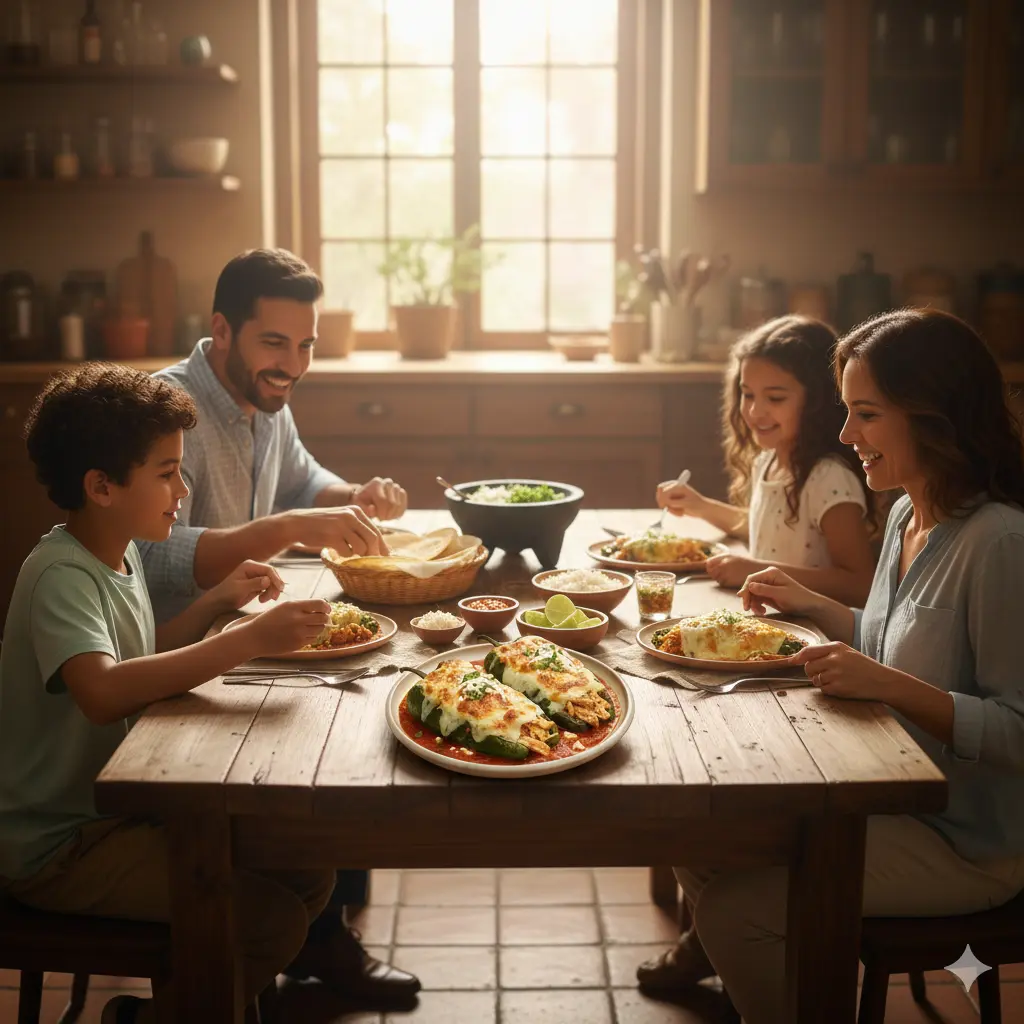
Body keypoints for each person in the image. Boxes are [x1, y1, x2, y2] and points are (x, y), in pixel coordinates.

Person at [648, 310, 1024, 1023]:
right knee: (696, 834)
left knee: (735, 909)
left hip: (967, 841)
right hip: (882, 791)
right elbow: (887, 641)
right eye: (847, 413)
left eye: (867, 415)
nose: (847, 436)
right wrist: (811, 604)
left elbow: (1017, 730)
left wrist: (882, 682)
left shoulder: (1000, 544)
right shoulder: (911, 518)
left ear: (936, 416)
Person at [0, 364, 339, 1024]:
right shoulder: (59, 575)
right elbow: (101, 692)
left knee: (309, 867)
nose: (182, 491)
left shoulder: (117, 554)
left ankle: (186, 1001)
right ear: (101, 486)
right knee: (267, 919)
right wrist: (246, 641)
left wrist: (217, 601)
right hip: (61, 844)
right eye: (166, 473)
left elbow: (142, 655)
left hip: (119, 809)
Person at [136, 248, 419, 1003]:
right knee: (339, 735)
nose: (292, 364)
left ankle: (315, 935)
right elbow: (156, 560)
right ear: (222, 331)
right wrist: (288, 526)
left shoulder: (267, 399)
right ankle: (291, 944)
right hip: (174, 661)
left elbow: (301, 482)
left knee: (359, 714)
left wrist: (352, 495)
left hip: (241, 633)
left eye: (305, 346)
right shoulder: (164, 410)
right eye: (275, 343)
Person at [654, 315, 877, 607]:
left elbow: (860, 585)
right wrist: (699, 506)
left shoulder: (828, 478)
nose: (755, 411)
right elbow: (769, 529)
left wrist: (756, 570)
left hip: (814, 636)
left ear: (817, 400)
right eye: (747, 395)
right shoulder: (768, 462)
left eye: (775, 398)